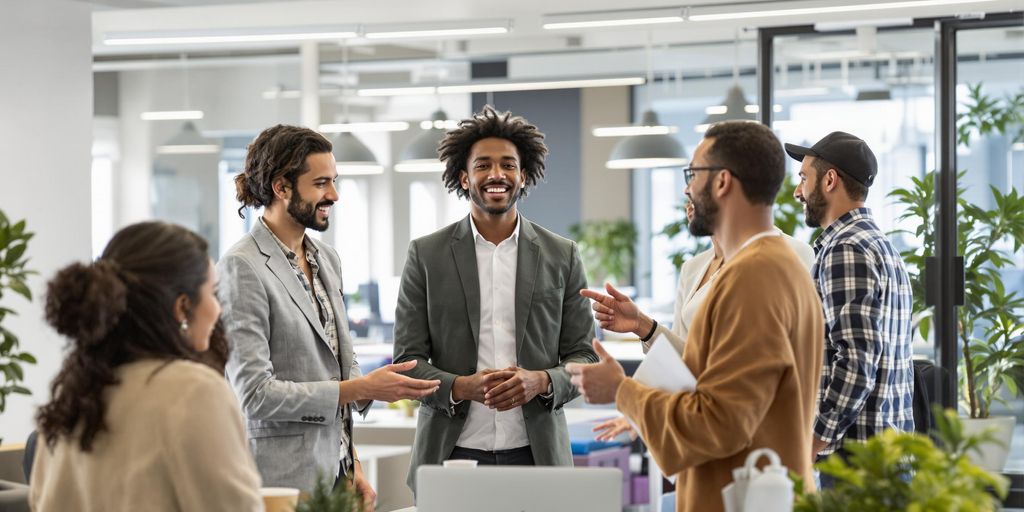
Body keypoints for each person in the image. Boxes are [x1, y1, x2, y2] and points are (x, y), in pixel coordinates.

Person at [567, 121, 824, 512]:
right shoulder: (769, 266)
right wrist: (644, 329)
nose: (687, 188)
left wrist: (621, 390)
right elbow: (710, 381)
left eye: (692, 174)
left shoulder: (754, 277)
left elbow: (718, 423)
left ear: (722, 182)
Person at [219, 125, 440, 503]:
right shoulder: (243, 266)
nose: (333, 195)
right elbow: (254, 395)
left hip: (336, 476)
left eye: (334, 181)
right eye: (321, 183)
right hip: (280, 481)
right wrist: (363, 388)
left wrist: (352, 466)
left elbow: (339, 364)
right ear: (281, 187)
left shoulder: (327, 258)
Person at [392, 106, 598, 493]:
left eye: (508, 165)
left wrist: (542, 381)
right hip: (451, 456)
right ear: (464, 177)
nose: (497, 175)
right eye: (483, 165)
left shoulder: (562, 254)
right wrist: (460, 387)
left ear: (523, 176)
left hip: (537, 458)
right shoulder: (427, 254)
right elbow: (407, 361)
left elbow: (585, 356)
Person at [31, 221, 262, 511]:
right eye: (212, 293)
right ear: (182, 307)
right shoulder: (194, 391)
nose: (218, 308)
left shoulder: (72, 392)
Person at [585, 202, 815, 441]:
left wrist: (627, 393)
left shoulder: (791, 253)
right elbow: (683, 360)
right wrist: (641, 325)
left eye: (696, 179)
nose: (688, 197)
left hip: (756, 430)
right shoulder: (693, 267)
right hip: (699, 422)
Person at [786, 132, 914, 479]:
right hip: (886, 455)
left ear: (829, 180)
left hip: (855, 461)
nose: (798, 191)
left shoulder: (845, 249)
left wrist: (814, 441)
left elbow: (856, 360)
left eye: (803, 178)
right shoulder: (880, 245)